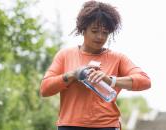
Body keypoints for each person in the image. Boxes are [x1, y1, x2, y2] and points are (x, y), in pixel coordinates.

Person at [40, 0, 151, 130]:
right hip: (70, 125)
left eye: (105, 32)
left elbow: (145, 81)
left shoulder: (117, 58)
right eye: (94, 31)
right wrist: (72, 75)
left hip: (106, 126)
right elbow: (45, 89)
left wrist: (110, 80)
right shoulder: (65, 55)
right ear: (83, 29)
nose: (100, 37)